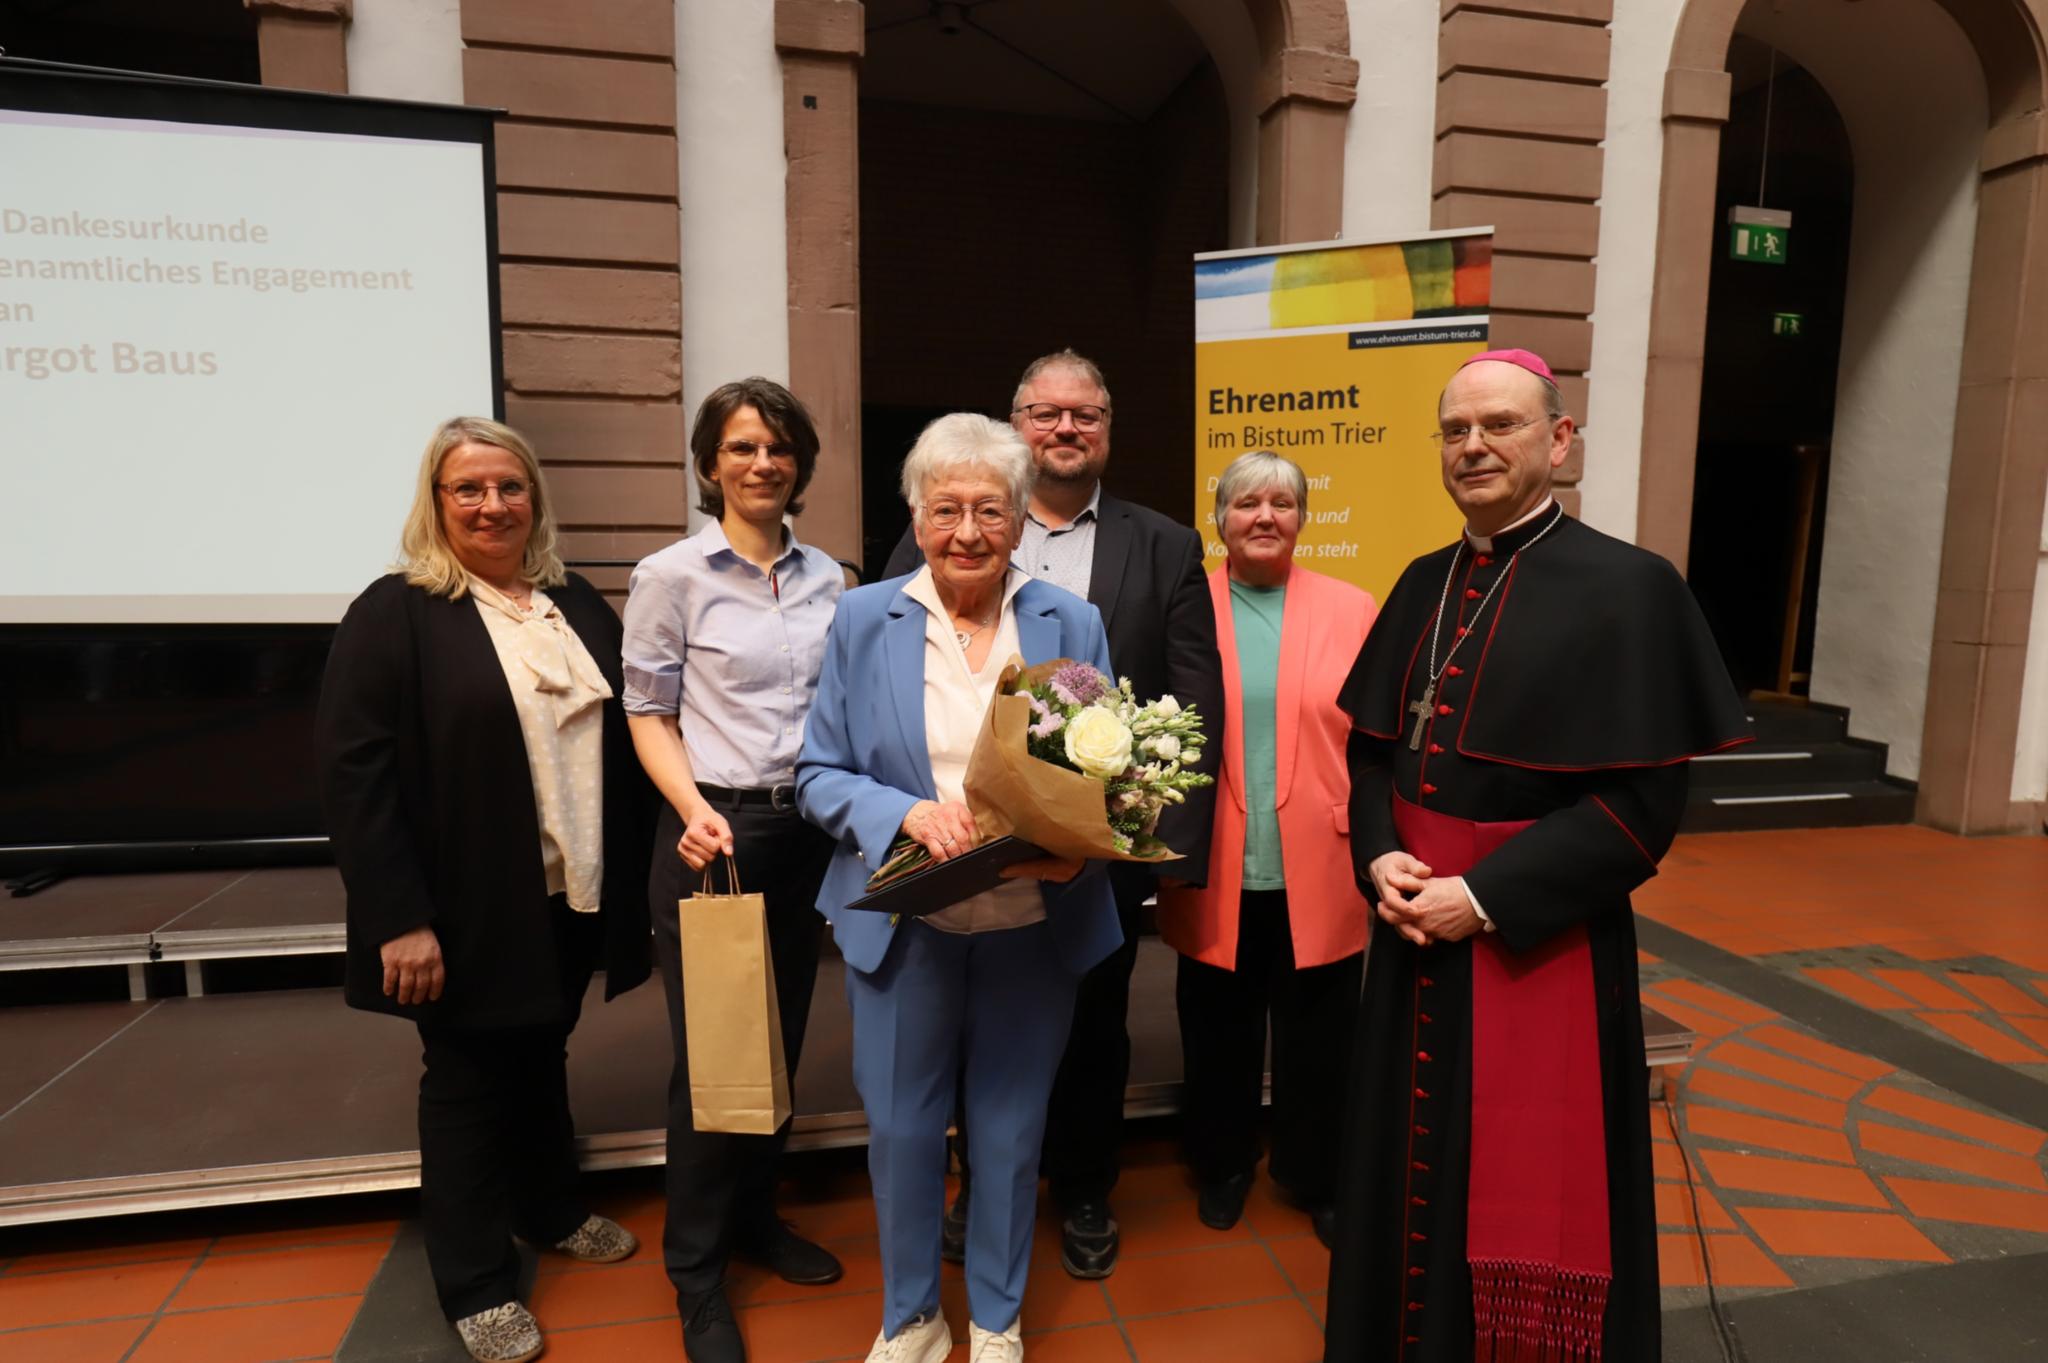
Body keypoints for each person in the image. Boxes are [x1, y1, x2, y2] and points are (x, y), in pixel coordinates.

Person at [1323, 350, 1750, 1363]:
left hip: (1534, 938)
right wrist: (1378, 855)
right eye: (1454, 430)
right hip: (1411, 934)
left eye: (1500, 425)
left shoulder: (1630, 587)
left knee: (1516, 1176)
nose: (1471, 446)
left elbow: (1641, 807)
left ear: (1559, 441)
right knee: (1401, 1172)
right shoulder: (1423, 580)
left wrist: (1482, 895)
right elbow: (1374, 750)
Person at [317, 417, 657, 1363]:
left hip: (566, 890)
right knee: (466, 1078)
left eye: (509, 486)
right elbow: (355, 776)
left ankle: (546, 1206)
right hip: (461, 907)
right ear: (436, 503)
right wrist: (399, 918)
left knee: (541, 1048)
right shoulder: (396, 611)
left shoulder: (572, 602)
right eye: (468, 488)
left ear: (534, 497)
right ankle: (473, 1281)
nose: (492, 505)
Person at [883, 348, 1223, 1279]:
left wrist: (1157, 851)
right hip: (958, 844)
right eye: (1045, 414)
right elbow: (889, 680)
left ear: (1108, 429)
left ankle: (1083, 1187)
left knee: (1092, 1027)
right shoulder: (947, 527)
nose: (1065, 429)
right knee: (961, 1024)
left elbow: (1195, 695)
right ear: (1016, 425)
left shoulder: (1167, 545)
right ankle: (975, 1184)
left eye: (1086, 415)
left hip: (1093, 857)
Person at [801, 413, 1122, 1363]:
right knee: (901, 1136)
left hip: (1035, 920)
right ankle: (911, 1317)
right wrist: (901, 814)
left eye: (991, 509)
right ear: (916, 512)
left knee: (1011, 1132)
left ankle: (995, 1316)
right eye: (947, 509)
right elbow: (820, 772)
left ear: (1024, 518)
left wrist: (1080, 843)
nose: (969, 532)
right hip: (909, 924)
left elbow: (1107, 764)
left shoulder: (1073, 621)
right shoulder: (865, 620)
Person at [622, 378, 847, 1363]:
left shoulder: (829, 577)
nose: (762, 463)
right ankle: (697, 1270)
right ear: (709, 462)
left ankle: (757, 1218)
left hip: (808, 836)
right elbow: (646, 710)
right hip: (716, 838)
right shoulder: (670, 574)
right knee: (717, 1058)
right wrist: (690, 808)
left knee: (781, 1038)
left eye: (779, 447)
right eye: (742, 446)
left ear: (799, 463)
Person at [1155, 451, 1376, 1248]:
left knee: (1323, 1037)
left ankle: (1318, 1172)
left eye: (1283, 502)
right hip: (1213, 858)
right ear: (1220, 519)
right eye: (1247, 501)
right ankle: (1222, 1165)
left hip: (1323, 860)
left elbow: (1375, 740)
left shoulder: (1354, 608)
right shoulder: (1186, 605)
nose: (1265, 516)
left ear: (1303, 517)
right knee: (1218, 1028)